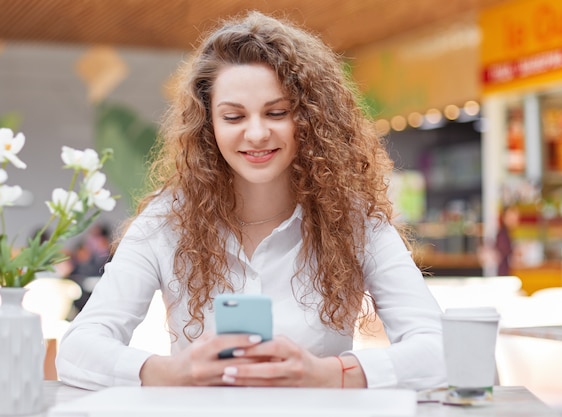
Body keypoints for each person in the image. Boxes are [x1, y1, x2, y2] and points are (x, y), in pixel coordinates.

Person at [56, 11, 446, 391]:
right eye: (233, 117)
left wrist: (332, 374)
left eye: (277, 112)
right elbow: (77, 349)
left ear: (309, 120)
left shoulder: (356, 221)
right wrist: (173, 372)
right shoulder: (166, 220)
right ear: (208, 125)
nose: (257, 133)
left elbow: (441, 350)